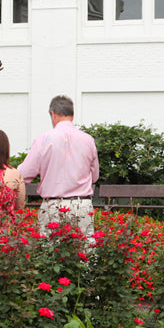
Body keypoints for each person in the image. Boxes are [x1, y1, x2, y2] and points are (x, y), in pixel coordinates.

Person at [18, 95, 99, 238]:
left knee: (51, 254)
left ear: (53, 114)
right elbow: (94, 177)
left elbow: (24, 174)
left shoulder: (43, 139)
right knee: (85, 252)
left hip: (53, 206)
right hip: (82, 205)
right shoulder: (88, 140)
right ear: (72, 115)